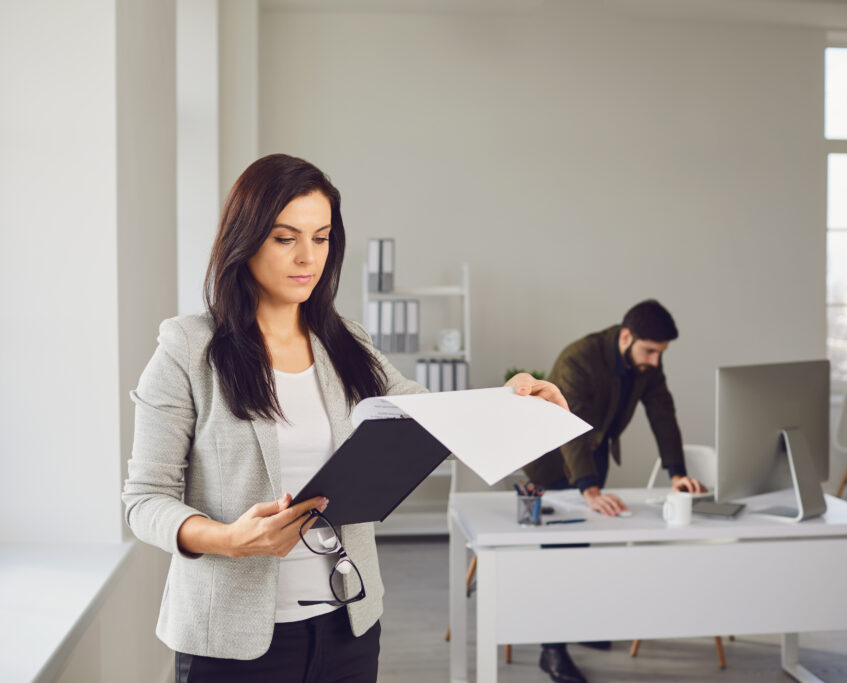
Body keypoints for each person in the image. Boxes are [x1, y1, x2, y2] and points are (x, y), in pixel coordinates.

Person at [122, 153, 568, 683]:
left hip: (346, 629)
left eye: (322, 236)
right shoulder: (187, 349)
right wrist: (229, 539)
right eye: (285, 238)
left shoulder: (347, 343)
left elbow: (431, 419)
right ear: (245, 241)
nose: (306, 257)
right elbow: (143, 500)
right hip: (231, 641)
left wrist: (514, 402)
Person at [521, 299, 705, 683]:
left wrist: (676, 472)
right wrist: (588, 488)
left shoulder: (646, 363)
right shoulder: (579, 359)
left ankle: (581, 626)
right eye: (650, 351)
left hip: (594, 452)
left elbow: (662, 412)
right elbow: (566, 423)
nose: (655, 361)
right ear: (626, 337)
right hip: (552, 457)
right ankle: (551, 652)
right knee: (559, 556)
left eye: (660, 353)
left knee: (586, 547)